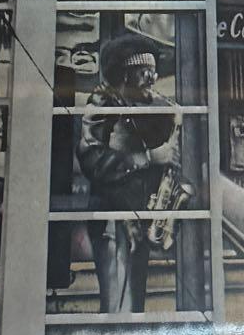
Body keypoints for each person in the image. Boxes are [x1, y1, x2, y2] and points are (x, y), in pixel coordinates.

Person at [76, 33, 178, 313]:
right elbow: (91, 158)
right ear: (126, 75)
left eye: (153, 72)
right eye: (145, 71)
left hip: (136, 222)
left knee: (134, 309)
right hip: (113, 223)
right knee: (118, 310)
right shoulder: (101, 103)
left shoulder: (141, 109)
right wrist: (149, 158)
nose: (153, 79)